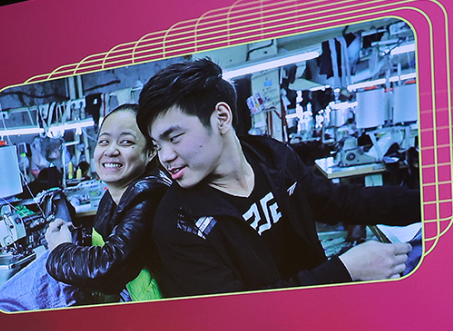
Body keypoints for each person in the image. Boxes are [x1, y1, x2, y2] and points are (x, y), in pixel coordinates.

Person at [136, 58, 419, 298]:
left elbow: (340, 201)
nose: (165, 157)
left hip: (327, 309)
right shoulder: (177, 223)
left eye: (174, 138)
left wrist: (432, 203)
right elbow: (238, 315)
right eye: (158, 145)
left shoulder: (272, 158)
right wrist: (345, 270)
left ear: (221, 117)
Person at [46, 104, 171, 301]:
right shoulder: (112, 197)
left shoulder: (150, 196)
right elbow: (116, 239)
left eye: (126, 142)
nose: (111, 150)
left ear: (150, 152)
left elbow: (108, 269)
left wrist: (61, 249)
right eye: (104, 142)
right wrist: (77, 236)